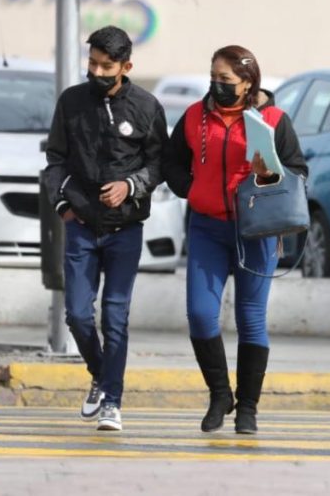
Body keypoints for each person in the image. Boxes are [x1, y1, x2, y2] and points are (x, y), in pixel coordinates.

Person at [163, 45, 307, 434]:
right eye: (213, 78)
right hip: (207, 227)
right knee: (200, 313)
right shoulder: (195, 116)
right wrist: (191, 188)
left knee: (251, 318)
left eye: (225, 80)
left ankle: (247, 407)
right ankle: (219, 394)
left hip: (256, 230)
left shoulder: (274, 120)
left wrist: (268, 174)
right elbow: (171, 161)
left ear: (248, 83)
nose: (217, 86)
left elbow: (298, 170)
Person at [45, 25, 168, 432]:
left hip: (125, 230)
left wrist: (130, 186)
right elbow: (55, 161)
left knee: (115, 316)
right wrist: (65, 205)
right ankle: (101, 374)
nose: (97, 71)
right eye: (92, 63)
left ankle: (112, 400)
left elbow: (158, 164)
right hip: (80, 227)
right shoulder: (72, 102)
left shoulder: (147, 107)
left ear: (126, 66)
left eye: (106, 65)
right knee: (78, 315)